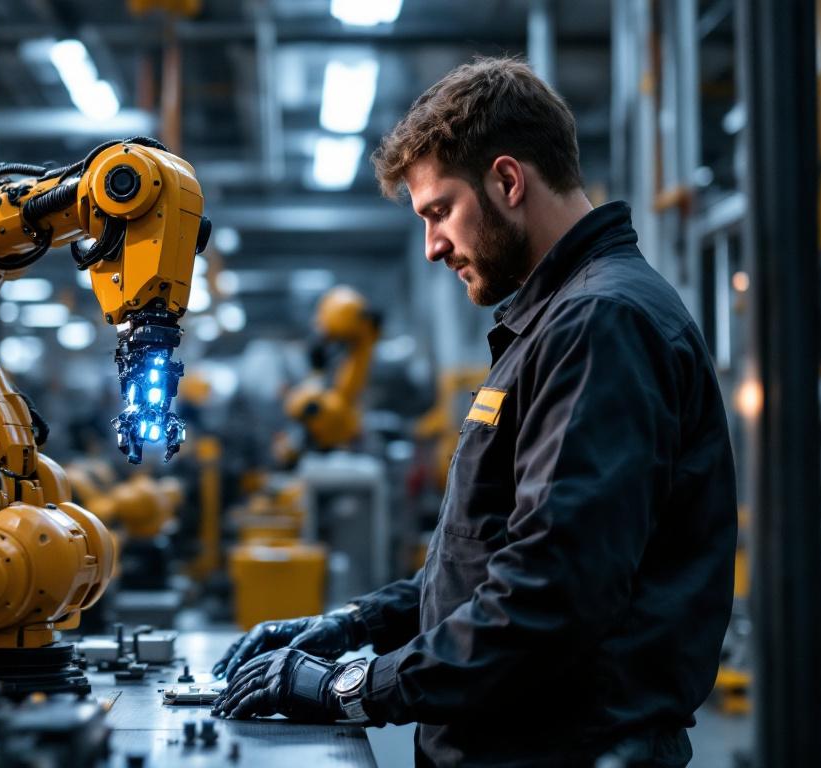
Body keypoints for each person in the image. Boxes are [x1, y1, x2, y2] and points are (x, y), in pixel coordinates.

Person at [210, 56, 737, 768]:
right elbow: (492, 559)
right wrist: (350, 625)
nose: (432, 247)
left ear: (508, 180)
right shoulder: (554, 320)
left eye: (438, 212)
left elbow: (548, 599)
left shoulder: (599, 323)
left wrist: (349, 686)